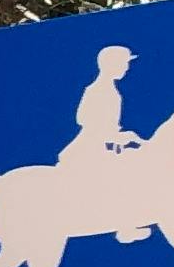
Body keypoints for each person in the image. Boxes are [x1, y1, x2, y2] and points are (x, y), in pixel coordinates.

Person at [63, 43, 147, 239]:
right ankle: (125, 227)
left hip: (103, 144)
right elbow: (84, 119)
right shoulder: (99, 90)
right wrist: (118, 136)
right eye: (124, 63)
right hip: (90, 147)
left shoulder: (109, 89)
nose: (126, 68)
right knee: (124, 175)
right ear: (112, 65)